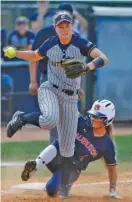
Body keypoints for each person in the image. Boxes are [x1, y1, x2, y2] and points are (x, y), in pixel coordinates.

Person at [4, 11, 108, 199]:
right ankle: (21, 118)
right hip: (50, 89)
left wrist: (87, 67)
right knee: (50, 119)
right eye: (60, 26)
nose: (64, 29)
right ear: (55, 28)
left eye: (67, 25)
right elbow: (36, 56)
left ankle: (65, 187)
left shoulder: (80, 43)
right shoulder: (51, 43)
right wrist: (16, 53)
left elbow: (103, 58)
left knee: (68, 150)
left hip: (70, 100)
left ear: (71, 26)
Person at [21, 99, 122, 199]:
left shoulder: (107, 145)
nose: (93, 118)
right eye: (93, 115)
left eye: (97, 117)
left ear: (107, 120)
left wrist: (112, 191)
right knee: (59, 144)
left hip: (72, 168)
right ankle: (35, 165)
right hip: (58, 156)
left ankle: (61, 185)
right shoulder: (82, 122)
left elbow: (112, 169)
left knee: (51, 190)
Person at [29, 3, 85, 143]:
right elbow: (33, 58)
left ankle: (67, 151)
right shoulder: (44, 33)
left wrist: (78, 86)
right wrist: (33, 81)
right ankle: (56, 151)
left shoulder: (76, 37)